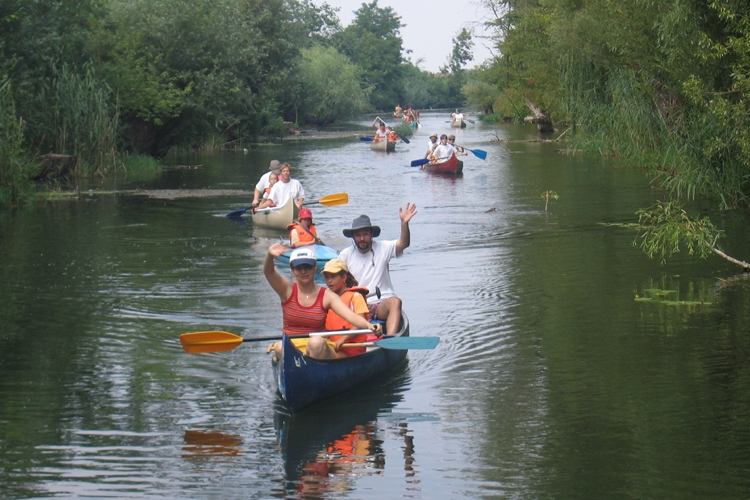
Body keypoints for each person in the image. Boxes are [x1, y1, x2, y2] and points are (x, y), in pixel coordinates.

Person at [264, 245, 381, 361]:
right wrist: (269, 255)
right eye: (299, 268)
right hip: (292, 343)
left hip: (318, 346)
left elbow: (351, 316)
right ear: (292, 270)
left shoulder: (327, 296)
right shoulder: (286, 290)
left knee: (316, 342)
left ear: (315, 267)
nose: (304, 271)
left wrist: (369, 326)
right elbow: (268, 272)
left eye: (308, 267)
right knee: (280, 347)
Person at [339, 205, 417, 335]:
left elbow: (404, 243)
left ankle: (390, 340)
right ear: (353, 237)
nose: (362, 239)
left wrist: (404, 224)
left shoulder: (383, 247)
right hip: (357, 305)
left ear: (371, 235)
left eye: (365, 234)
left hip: (381, 303)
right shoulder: (345, 255)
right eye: (358, 235)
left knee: (396, 302)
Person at [322, 258, 371, 357]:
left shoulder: (356, 296)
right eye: (327, 277)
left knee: (327, 358)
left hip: (351, 348)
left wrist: (343, 339)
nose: (329, 281)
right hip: (333, 346)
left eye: (333, 277)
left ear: (344, 277)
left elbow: (360, 323)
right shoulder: (327, 299)